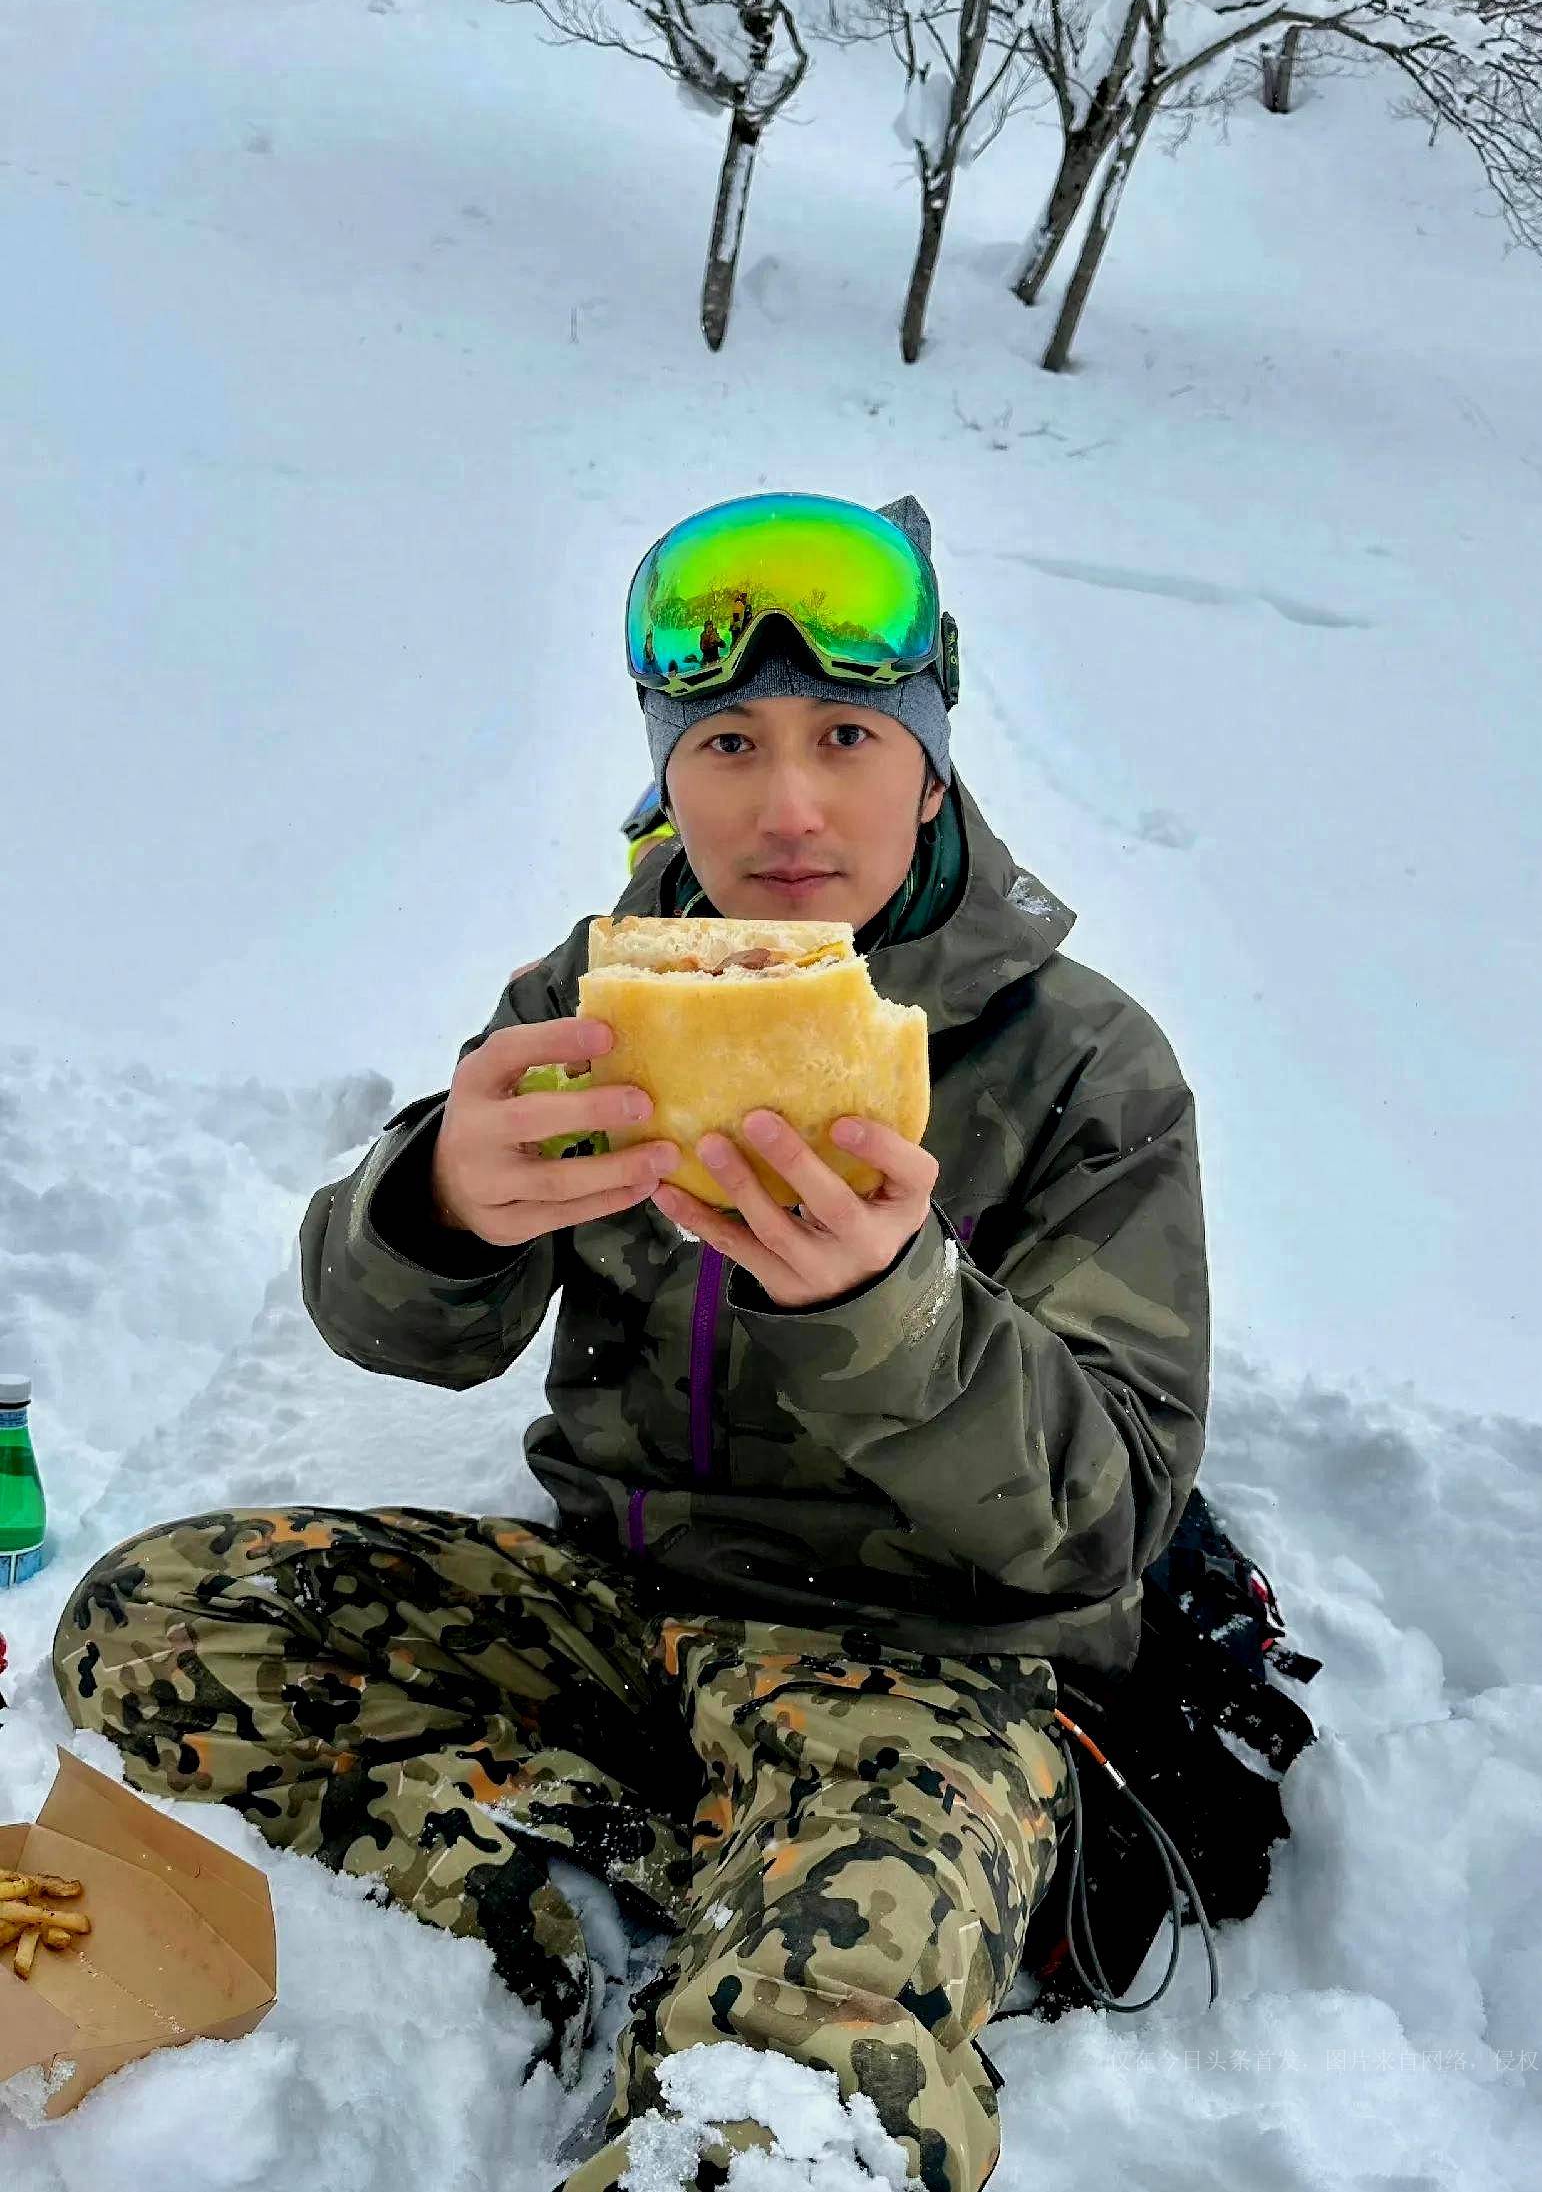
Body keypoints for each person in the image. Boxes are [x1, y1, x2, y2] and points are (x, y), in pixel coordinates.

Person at [52, 491, 1210, 2192]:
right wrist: (436, 1199)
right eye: (727, 738)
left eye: (846, 735)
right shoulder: (596, 993)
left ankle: (792, 1962)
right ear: (663, 769)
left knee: (797, 2094)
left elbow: (1108, 1514)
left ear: (935, 759)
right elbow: (391, 1323)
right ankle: (603, 1904)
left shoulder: (1088, 1065)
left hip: (926, 1669)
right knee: (153, 1626)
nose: (789, 802)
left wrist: (887, 1310)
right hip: (619, 1616)